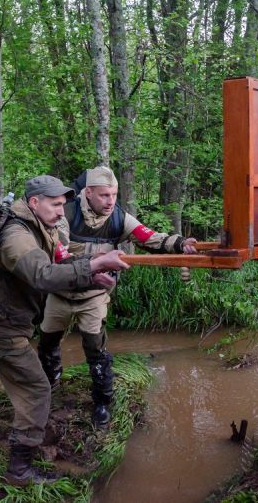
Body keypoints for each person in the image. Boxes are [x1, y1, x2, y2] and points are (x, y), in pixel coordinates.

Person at [0, 175, 131, 486]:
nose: (63, 212)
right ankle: (20, 469)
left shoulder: (34, 224)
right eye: (56, 204)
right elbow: (41, 274)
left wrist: (91, 276)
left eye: (64, 204)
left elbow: (56, 264)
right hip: (2, 326)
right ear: (35, 202)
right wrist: (93, 265)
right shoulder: (16, 234)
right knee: (36, 389)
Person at [37, 166, 198, 428]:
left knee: (96, 349)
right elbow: (58, 256)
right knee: (47, 344)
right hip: (60, 293)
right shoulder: (64, 214)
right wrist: (95, 266)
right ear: (88, 193)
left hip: (94, 296)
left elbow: (150, 238)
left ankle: (102, 401)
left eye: (114, 194)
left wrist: (180, 244)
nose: (110, 201)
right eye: (104, 195)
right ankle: (49, 388)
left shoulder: (118, 217)